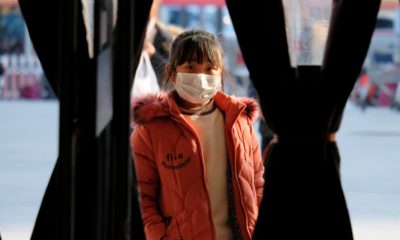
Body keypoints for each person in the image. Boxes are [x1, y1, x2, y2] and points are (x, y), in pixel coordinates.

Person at [130, 29, 264, 240]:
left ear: (220, 73)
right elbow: (142, 199)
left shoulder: (239, 121)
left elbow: (256, 183)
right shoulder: (150, 129)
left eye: (210, 68)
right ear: (172, 72)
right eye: (190, 67)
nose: (201, 77)